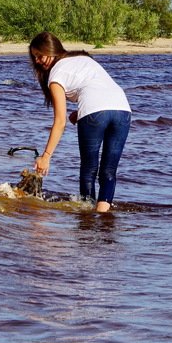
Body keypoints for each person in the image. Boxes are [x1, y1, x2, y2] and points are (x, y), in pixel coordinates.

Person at [28, 32, 132, 212]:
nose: (37, 61)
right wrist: (80, 111)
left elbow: (60, 121)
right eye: (35, 57)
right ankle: (103, 218)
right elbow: (97, 86)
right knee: (109, 172)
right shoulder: (82, 58)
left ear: (51, 50)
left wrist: (46, 156)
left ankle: (88, 222)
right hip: (123, 109)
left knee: (89, 171)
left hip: (94, 111)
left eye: (40, 55)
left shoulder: (55, 75)